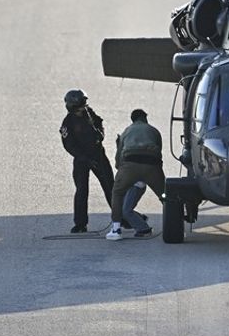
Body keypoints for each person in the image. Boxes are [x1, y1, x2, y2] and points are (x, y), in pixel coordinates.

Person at [59, 89, 114, 233]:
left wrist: (98, 132)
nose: (83, 108)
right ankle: (80, 223)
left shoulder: (90, 113)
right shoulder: (68, 122)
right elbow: (68, 145)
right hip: (82, 160)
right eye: (80, 107)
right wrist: (84, 158)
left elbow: (100, 129)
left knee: (111, 187)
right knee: (82, 190)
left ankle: (123, 217)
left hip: (98, 156)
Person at [106, 109, 166, 241]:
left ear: (132, 119)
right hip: (152, 167)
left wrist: (125, 174)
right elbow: (159, 153)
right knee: (166, 197)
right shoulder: (154, 131)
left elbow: (118, 160)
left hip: (130, 166)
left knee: (117, 193)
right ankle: (175, 226)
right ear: (145, 118)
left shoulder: (126, 132)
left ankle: (116, 229)